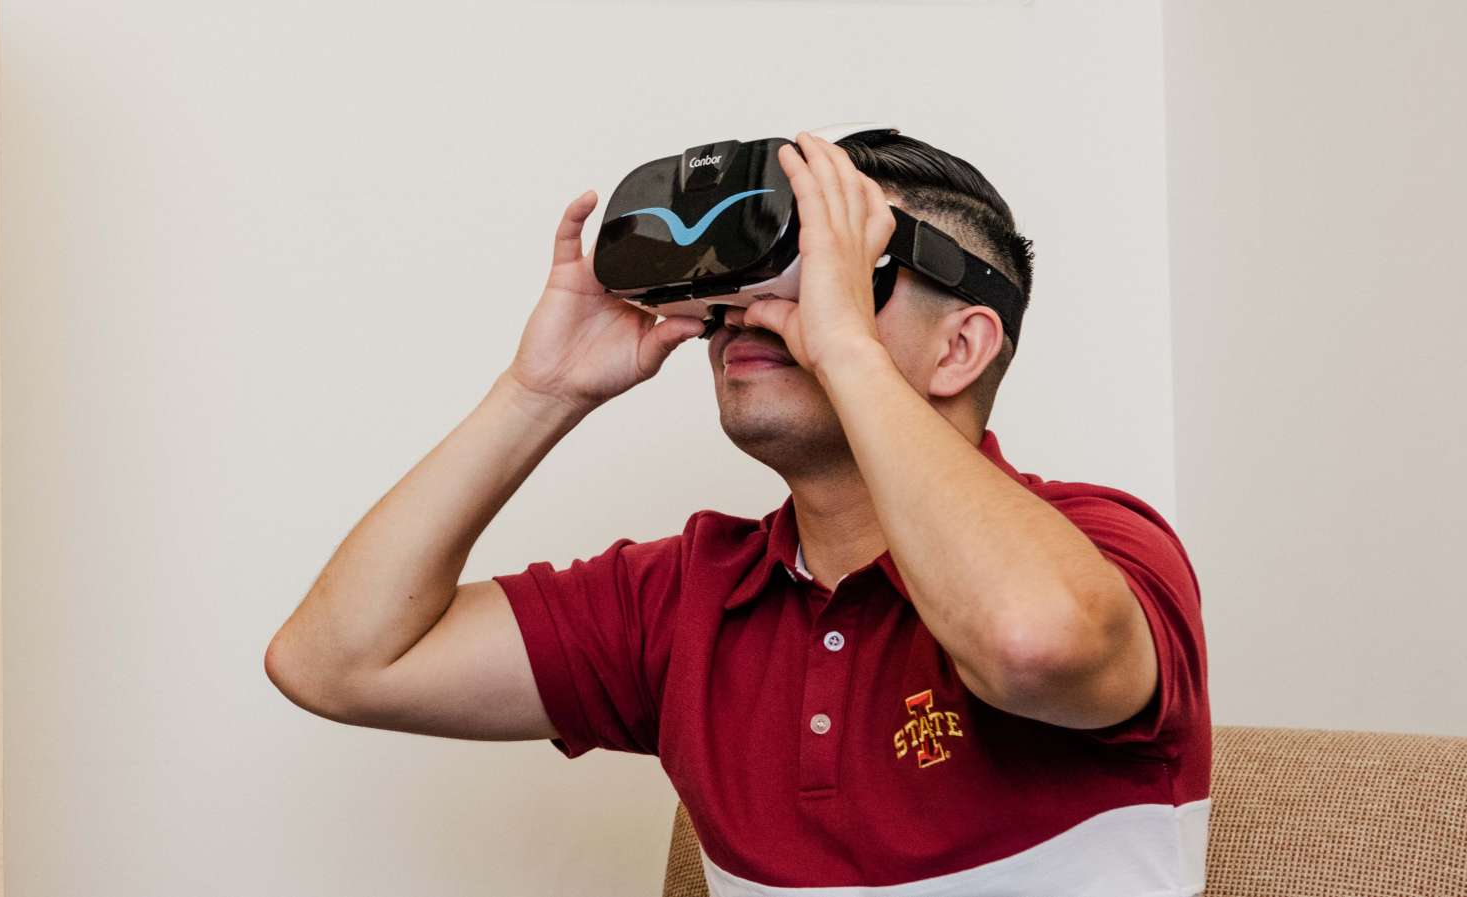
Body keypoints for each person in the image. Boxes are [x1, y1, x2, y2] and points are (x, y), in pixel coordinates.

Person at [266, 131, 1209, 894]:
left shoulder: (1104, 549)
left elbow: (1029, 640)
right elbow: (337, 661)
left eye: (831, 266)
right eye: (756, 280)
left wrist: (843, 346)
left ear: (960, 346)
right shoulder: (689, 598)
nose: (755, 312)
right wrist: (538, 391)